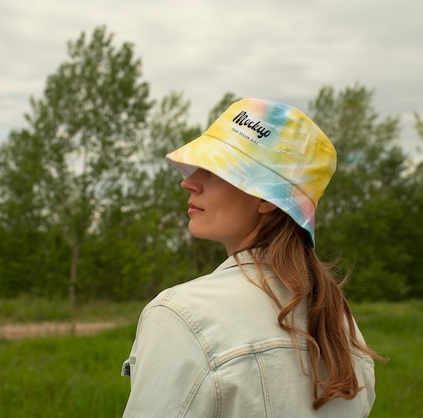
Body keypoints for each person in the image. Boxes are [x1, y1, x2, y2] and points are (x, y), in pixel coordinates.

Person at [121, 98, 382, 417]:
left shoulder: (184, 317)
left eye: (214, 170)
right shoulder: (342, 327)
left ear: (267, 199)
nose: (188, 182)